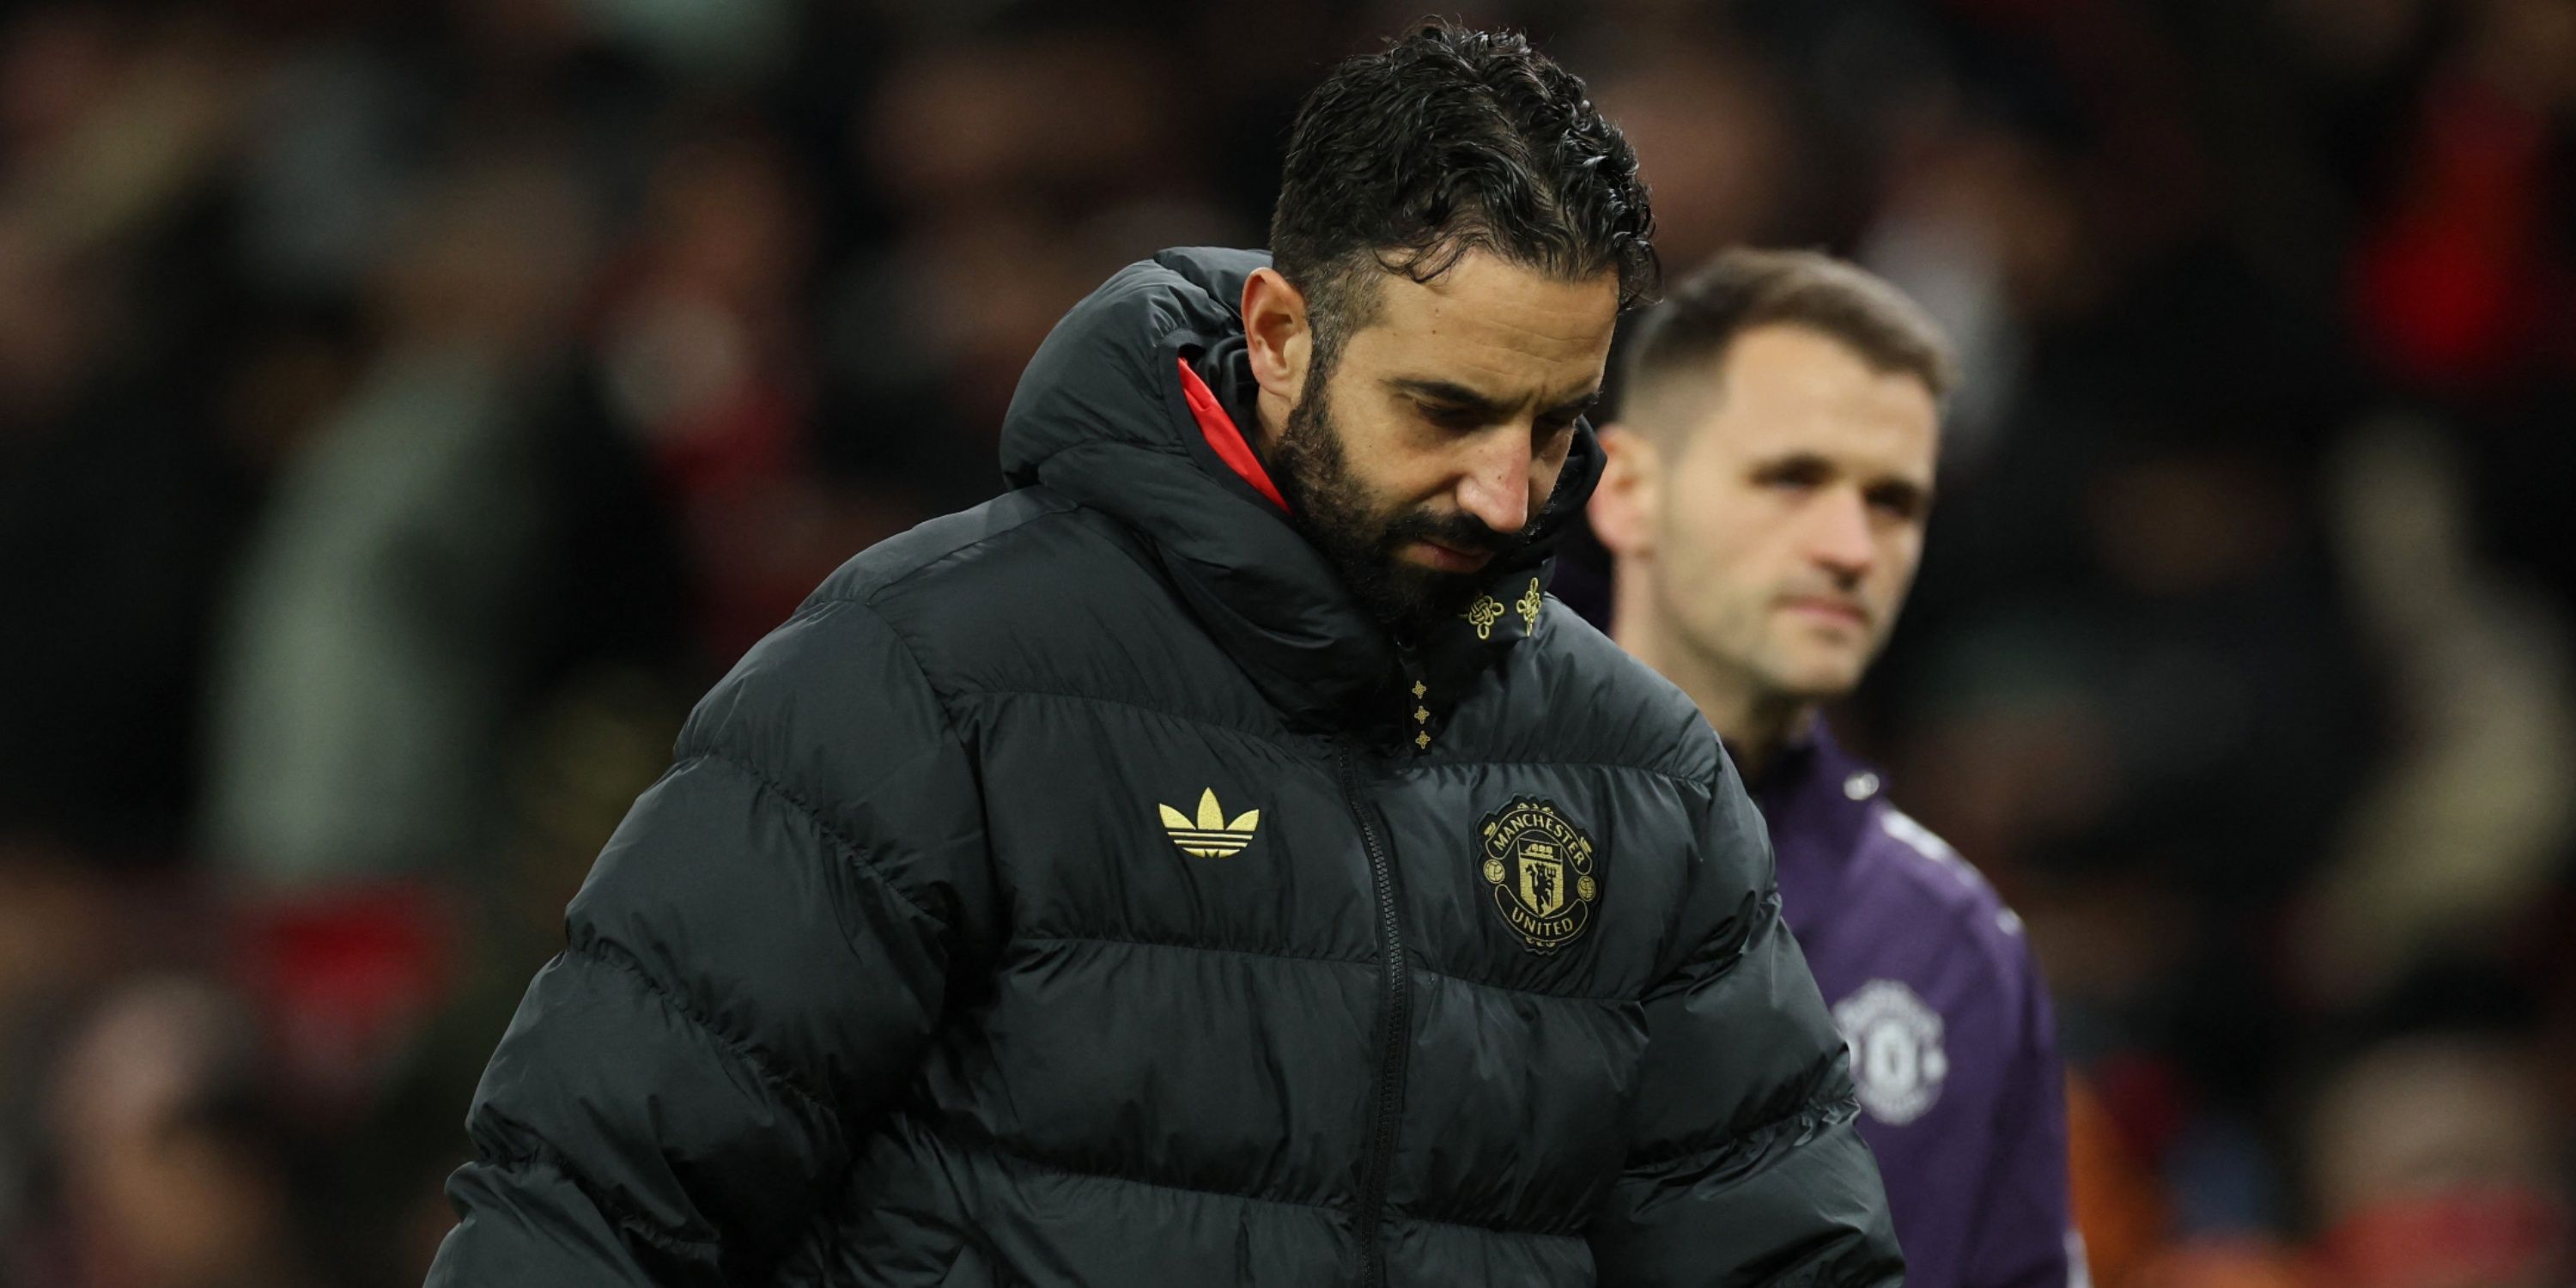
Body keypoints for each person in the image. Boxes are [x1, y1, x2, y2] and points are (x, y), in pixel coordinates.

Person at [427, 26, 1899, 1287]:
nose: (1508, 494)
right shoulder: (922, 682)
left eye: (1557, 422)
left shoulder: (1642, 777)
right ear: (1280, 333)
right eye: (1446, 411)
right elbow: (590, 1209)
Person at [1589, 248, 2081, 1288]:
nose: (1852, 547)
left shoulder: (1955, 947)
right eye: (1793, 478)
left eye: (1893, 501)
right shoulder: (1446, 851)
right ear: (1629, 490)